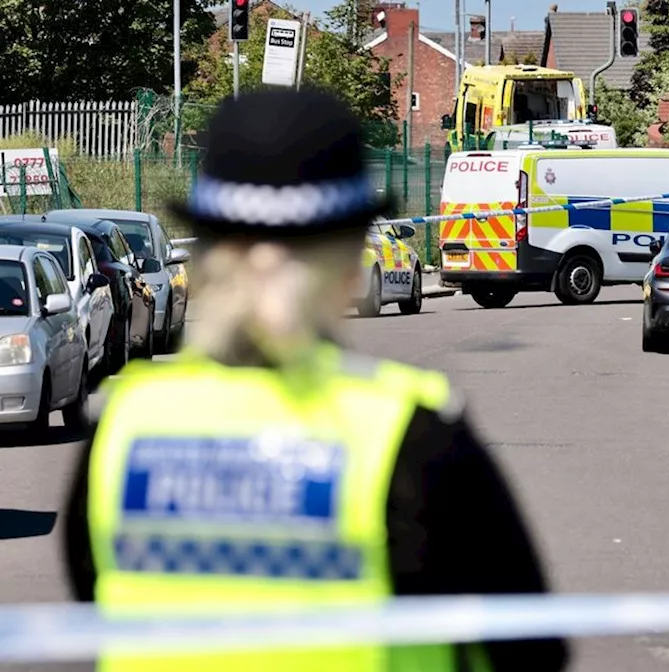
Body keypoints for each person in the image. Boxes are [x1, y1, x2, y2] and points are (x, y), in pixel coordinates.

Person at [60, 88, 570, 672]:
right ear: (352, 254)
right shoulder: (411, 435)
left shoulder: (122, 428)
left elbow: (92, 601)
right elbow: (529, 651)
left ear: (207, 252)